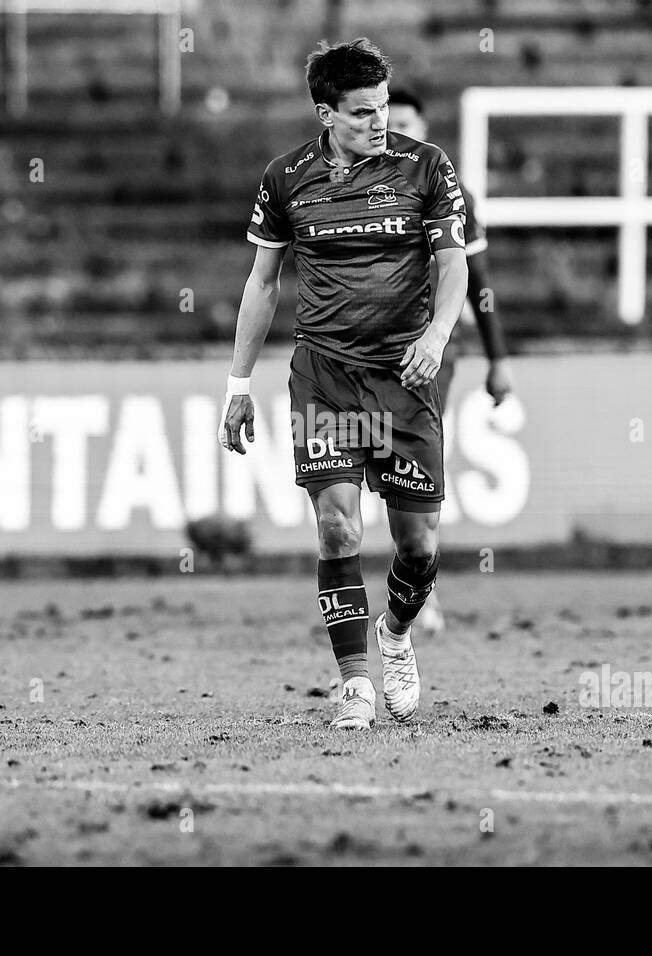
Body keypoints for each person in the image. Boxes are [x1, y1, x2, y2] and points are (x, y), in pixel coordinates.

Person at [220, 38, 468, 729]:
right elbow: (262, 283)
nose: (379, 121)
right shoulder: (286, 178)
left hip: (405, 377)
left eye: (383, 107)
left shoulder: (425, 168)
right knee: (336, 530)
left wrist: (437, 335)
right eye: (362, 112)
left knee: (417, 548)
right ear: (326, 113)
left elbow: (453, 267)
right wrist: (238, 384)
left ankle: (394, 633)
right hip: (325, 378)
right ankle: (354, 682)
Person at [386, 87, 514, 636]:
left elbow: (477, 285)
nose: (399, 130)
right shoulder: (362, 187)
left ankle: (421, 594)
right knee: (372, 470)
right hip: (371, 349)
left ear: (425, 125)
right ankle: (408, 586)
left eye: (408, 121)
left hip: (436, 349)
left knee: (417, 470)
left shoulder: (451, 191)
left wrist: (498, 358)